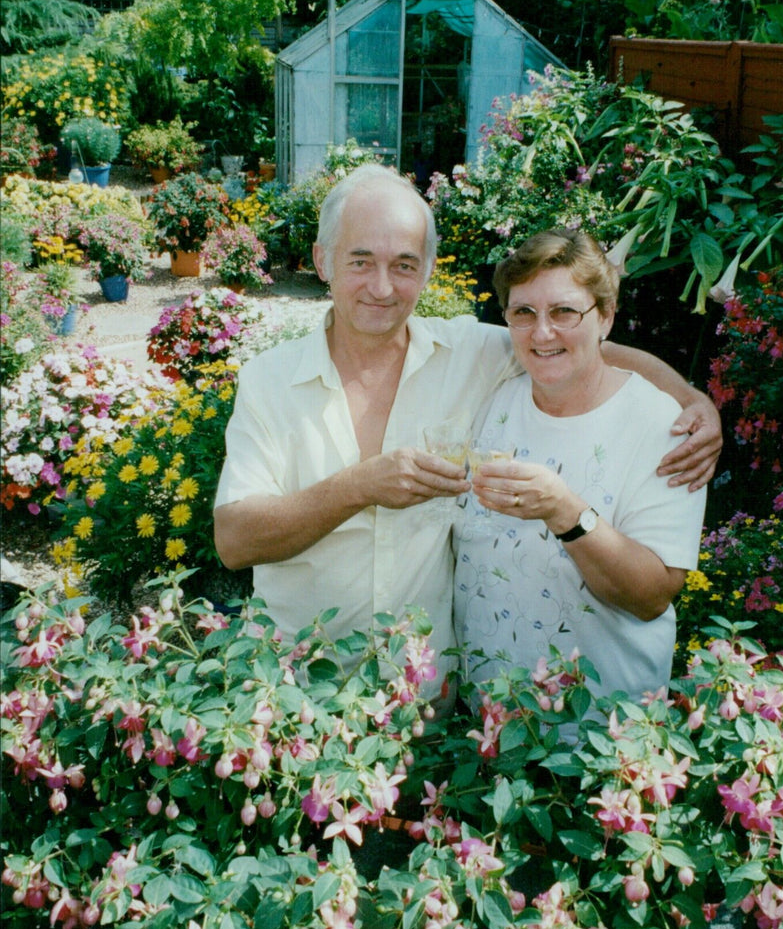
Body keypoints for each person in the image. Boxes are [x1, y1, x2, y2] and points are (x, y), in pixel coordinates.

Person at [214, 165, 719, 709]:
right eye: (361, 261)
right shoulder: (270, 380)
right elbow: (235, 541)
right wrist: (357, 487)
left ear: (427, 271)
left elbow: (571, 344)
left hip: (429, 705)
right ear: (321, 261)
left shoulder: (468, 355)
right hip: (301, 694)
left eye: (403, 265)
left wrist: (693, 401)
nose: (382, 287)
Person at [453, 227, 706, 716]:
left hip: (596, 735)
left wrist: (566, 512)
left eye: (565, 311)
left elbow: (652, 596)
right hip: (486, 721)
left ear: (606, 317)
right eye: (523, 312)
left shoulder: (661, 427)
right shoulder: (495, 396)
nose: (542, 332)